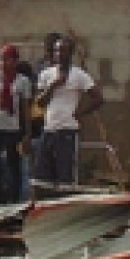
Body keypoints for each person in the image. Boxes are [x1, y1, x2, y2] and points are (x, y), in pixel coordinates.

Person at [33, 38, 99, 186]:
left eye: (63, 50)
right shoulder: (46, 74)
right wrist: (53, 86)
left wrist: (81, 112)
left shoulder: (79, 75)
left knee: (66, 176)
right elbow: (39, 102)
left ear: (70, 53)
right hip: (49, 129)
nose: (59, 54)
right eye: (56, 50)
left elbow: (98, 98)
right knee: (42, 177)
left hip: (68, 130)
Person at [0, 43, 26, 203]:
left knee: (13, 164)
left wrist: (27, 133)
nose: (3, 63)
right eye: (1, 59)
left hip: (12, 128)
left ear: (15, 61)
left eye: (7, 59)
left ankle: (15, 198)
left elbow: (24, 108)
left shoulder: (22, 81)